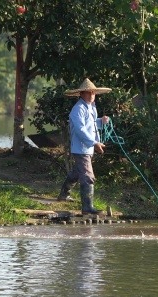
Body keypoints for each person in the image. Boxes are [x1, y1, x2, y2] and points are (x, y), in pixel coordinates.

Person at [57, 79, 112, 215]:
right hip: (81, 148)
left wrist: (102, 121)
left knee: (77, 172)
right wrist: (94, 143)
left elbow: (91, 125)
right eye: (88, 92)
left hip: (86, 147)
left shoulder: (91, 107)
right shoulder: (78, 109)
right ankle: (87, 207)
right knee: (88, 175)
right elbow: (81, 130)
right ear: (81, 94)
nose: (91, 94)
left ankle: (64, 195)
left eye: (93, 92)